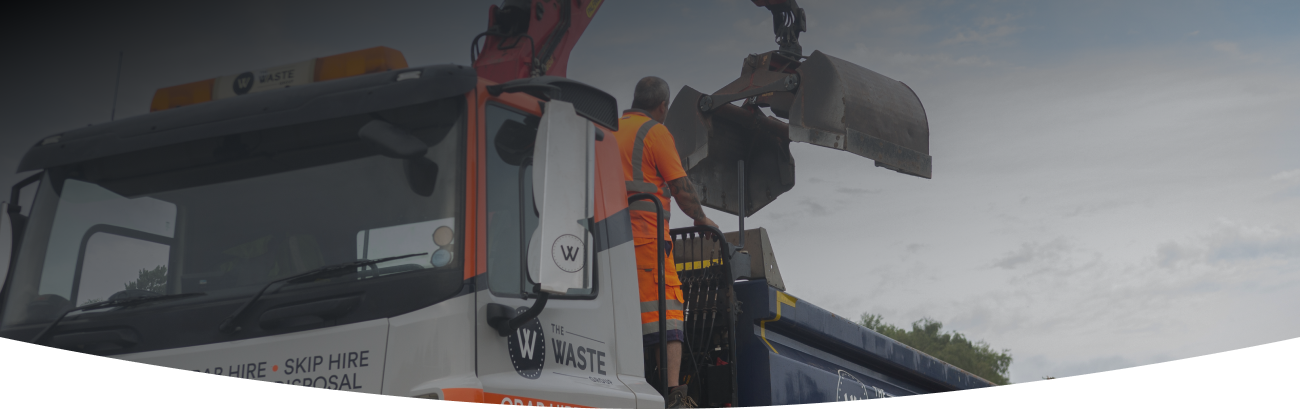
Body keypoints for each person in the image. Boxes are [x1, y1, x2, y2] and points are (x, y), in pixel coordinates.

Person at [615, 76, 717, 409]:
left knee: (625, 315)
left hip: (608, 242)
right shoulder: (655, 132)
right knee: (668, 310)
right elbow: (681, 187)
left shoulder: (607, 130)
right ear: (662, 107)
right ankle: (673, 392)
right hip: (645, 239)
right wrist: (701, 219)